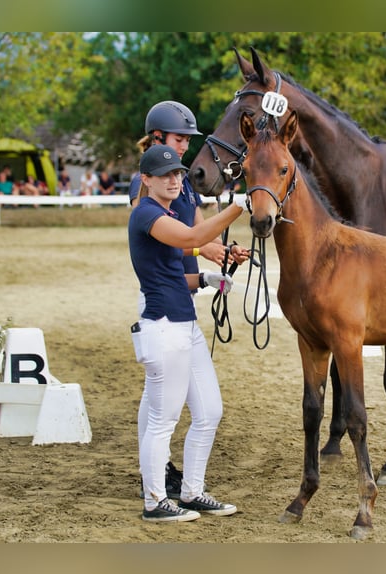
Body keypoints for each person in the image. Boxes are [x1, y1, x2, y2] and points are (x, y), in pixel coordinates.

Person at [131, 100, 251, 504]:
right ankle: (156, 477)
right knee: (159, 404)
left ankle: (188, 488)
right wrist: (208, 247)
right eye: (180, 139)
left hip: (183, 293)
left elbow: (199, 232)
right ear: (159, 136)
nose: (184, 147)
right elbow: (176, 240)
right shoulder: (144, 190)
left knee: (189, 405)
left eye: (185, 141)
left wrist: (222, 253)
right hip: (161, 296)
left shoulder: (180, 185)